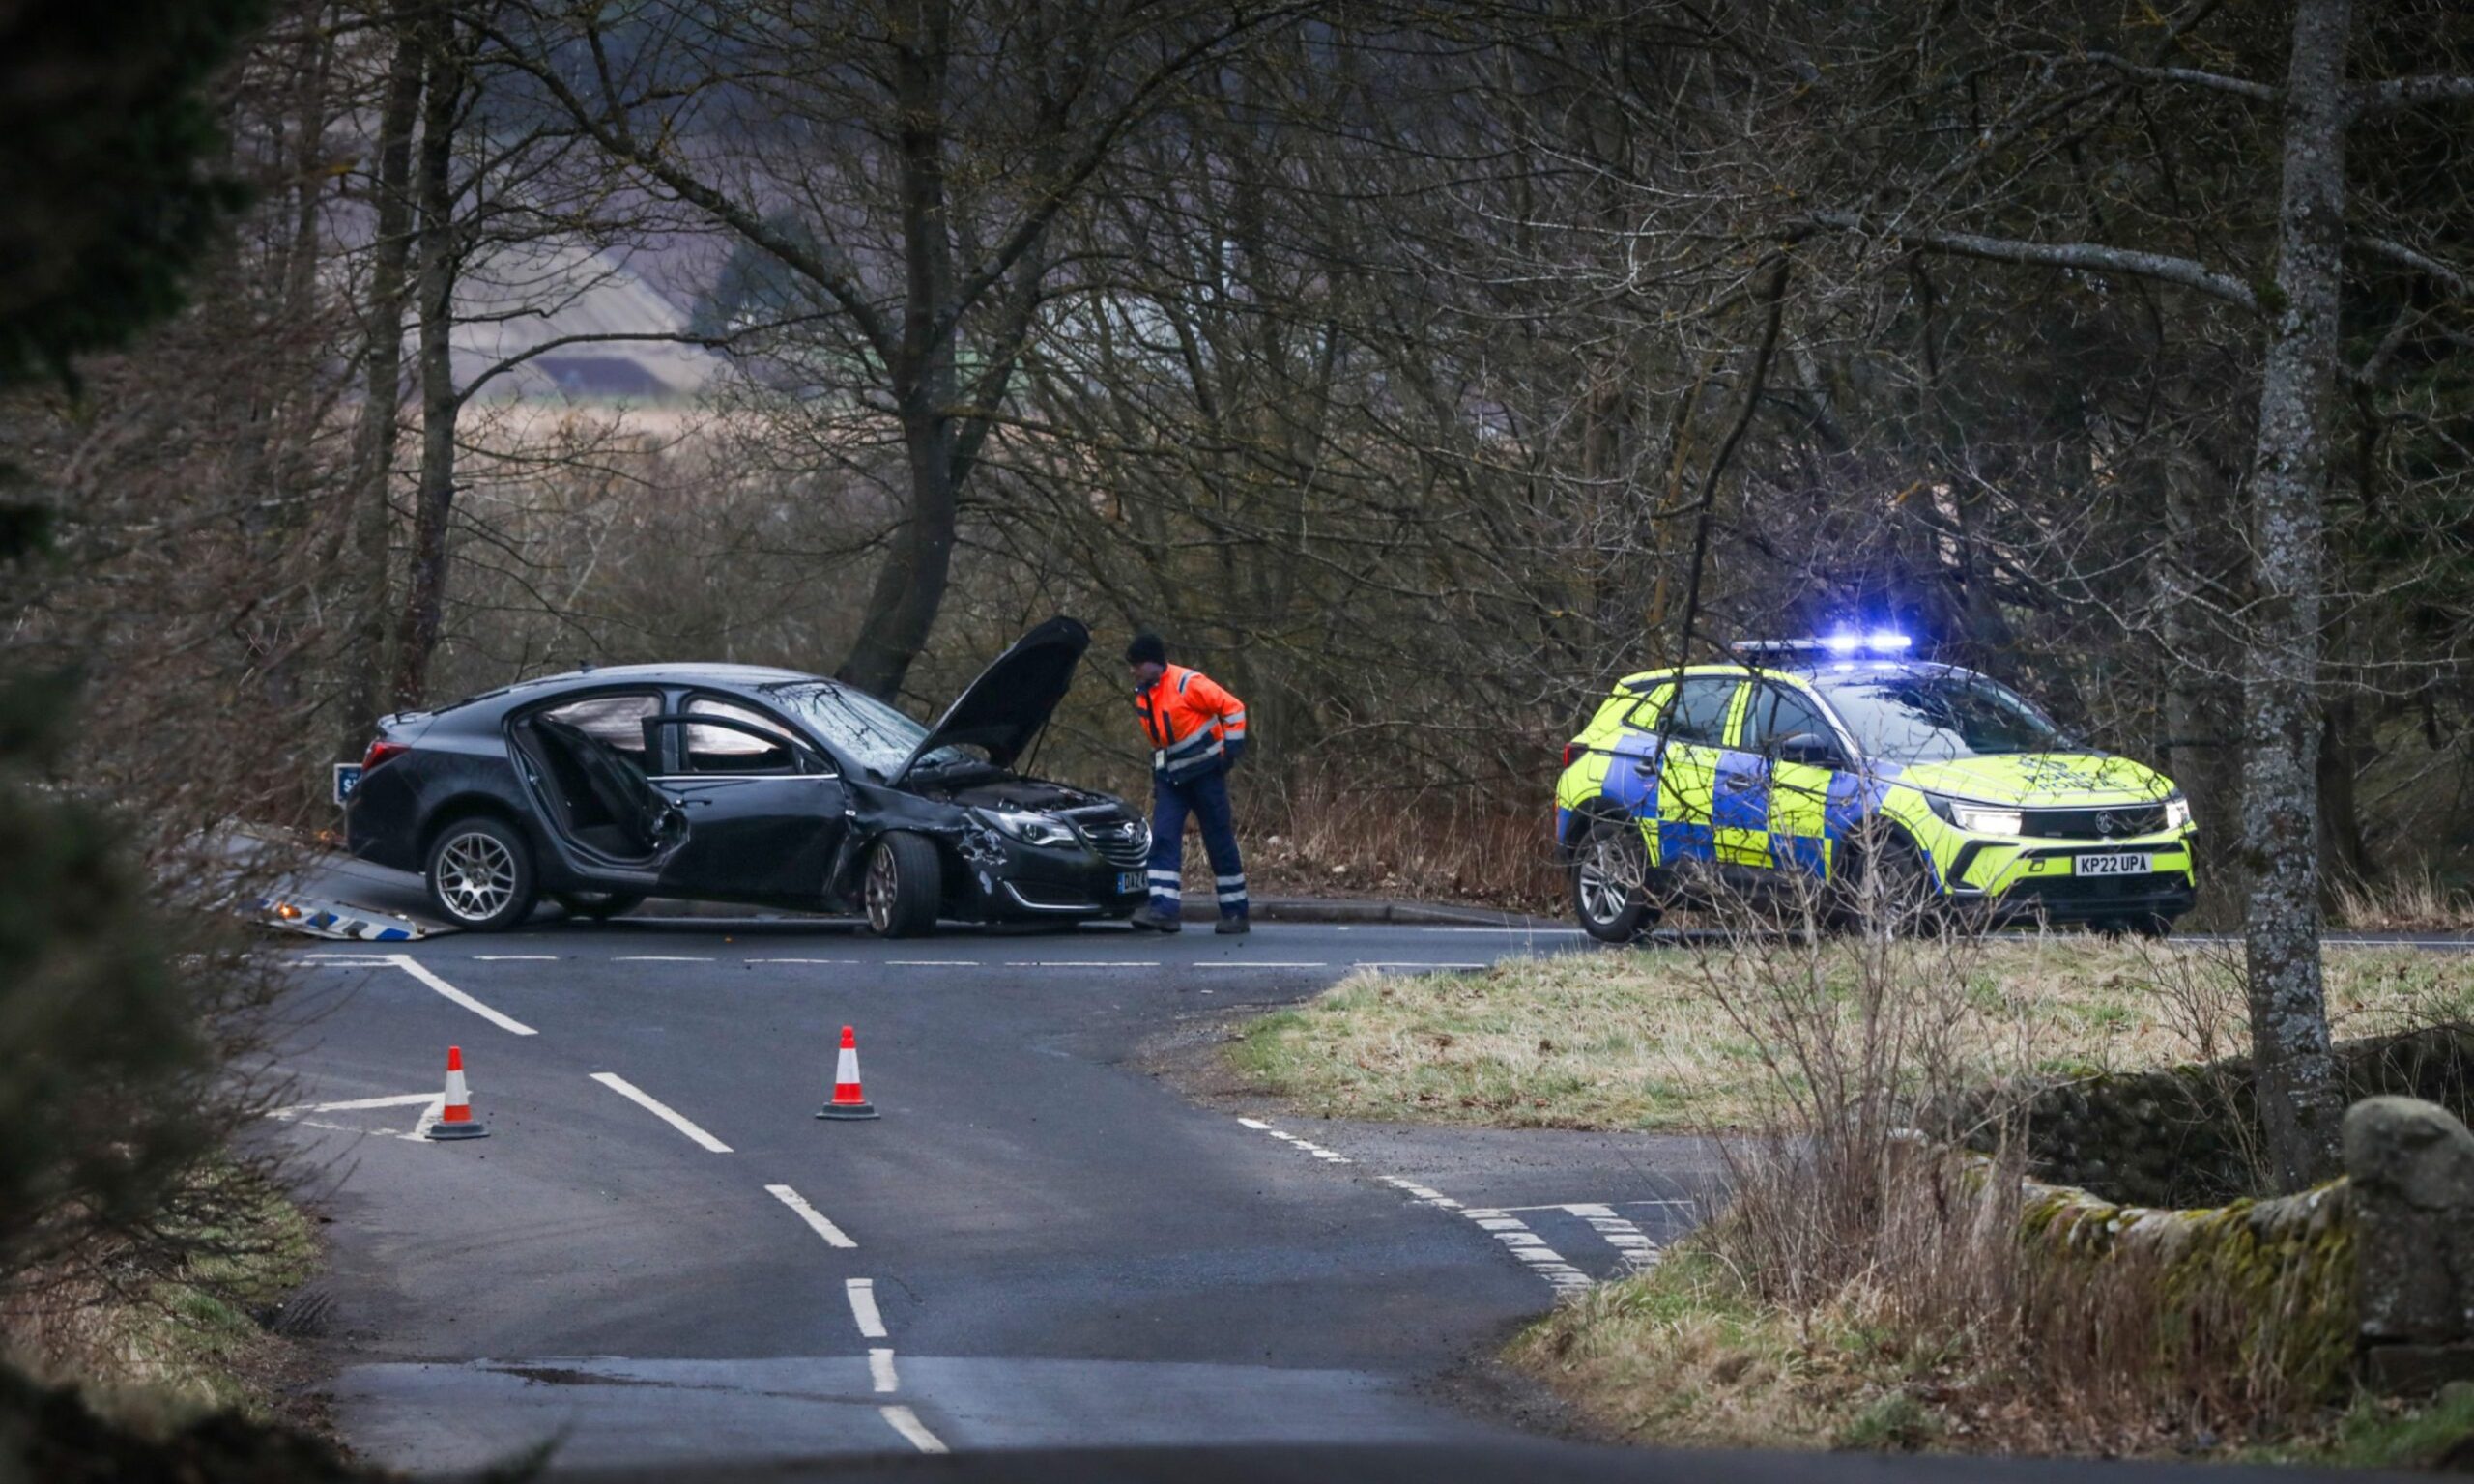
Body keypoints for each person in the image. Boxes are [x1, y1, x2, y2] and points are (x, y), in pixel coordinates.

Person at [1125, 634, 1250, 934]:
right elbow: (1161, 743)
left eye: (1137, 664)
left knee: (1218, 841)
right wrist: (1160, 777)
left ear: (1154, 663)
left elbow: (1234, 709)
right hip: (1173, 779)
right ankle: (1164, 912)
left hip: (1206, 775)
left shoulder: (1188, 683)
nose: (1133, 670)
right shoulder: (1144, 692)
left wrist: (1230, 753)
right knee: (1164, 838)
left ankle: (1236, 914)